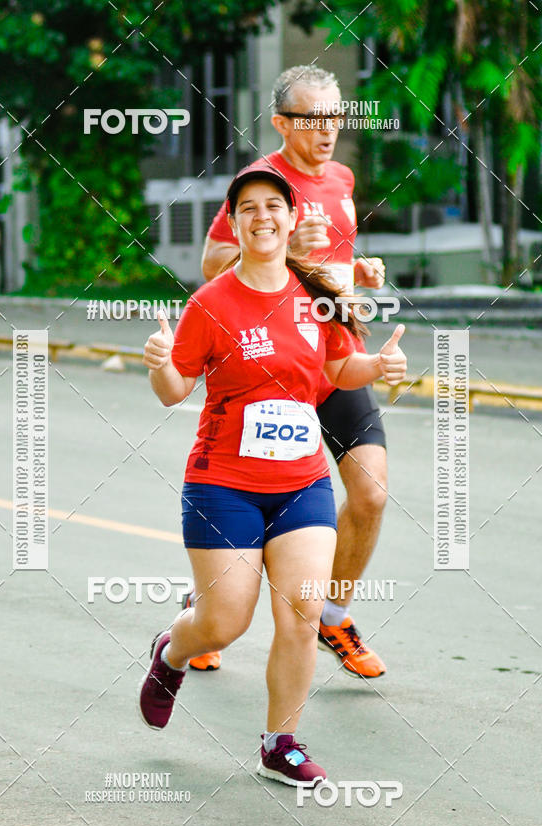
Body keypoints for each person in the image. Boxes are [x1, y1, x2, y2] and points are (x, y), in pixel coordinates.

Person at [139, 166, 407, 786]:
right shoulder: (210, 304)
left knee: (302, 612)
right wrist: (159, 364)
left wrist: (381, 365)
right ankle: (171, 651)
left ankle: (279, 743)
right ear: (234, 223)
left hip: (301, 484)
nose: (262, 216)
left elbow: (340, 371)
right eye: (248, 208)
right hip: (223, 484)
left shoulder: (317, 297)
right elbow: (173, 390)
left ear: (291, 220)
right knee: (224, 622)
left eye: (273, 207)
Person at [185, 64, 390, 677]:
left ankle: (331, 615)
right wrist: (287, 249)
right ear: (281, 122)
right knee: (249, 497)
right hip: (271, 368)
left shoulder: (342, 178)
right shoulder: (263, 185)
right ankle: (211, 607)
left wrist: (358, 275)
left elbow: (331, 264)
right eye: (312, 118)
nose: (328, 129)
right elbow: (213, 260)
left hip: (329, 359)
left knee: (372, 492)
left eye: (335, 116)